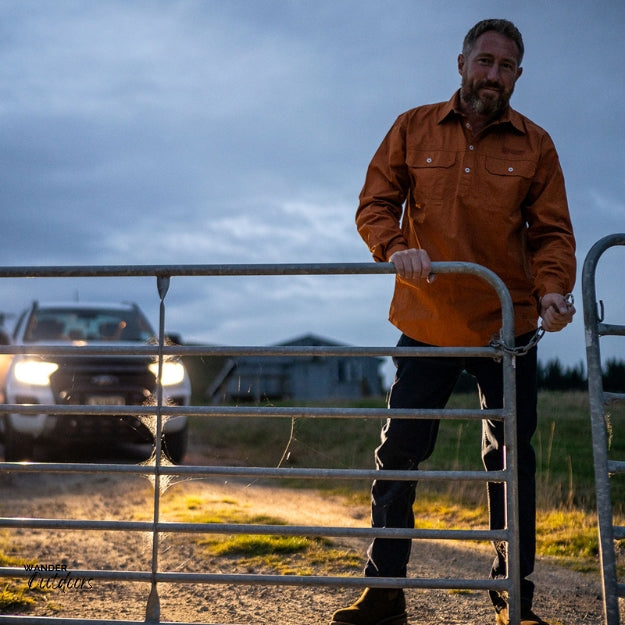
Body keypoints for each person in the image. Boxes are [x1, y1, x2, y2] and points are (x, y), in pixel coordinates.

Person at [330, 18, 576, 625]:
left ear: (518, 75)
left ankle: (511, 600)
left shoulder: (536, 145)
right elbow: (375, 204)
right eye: (485, 61)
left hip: (508, 325)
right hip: (427, 318)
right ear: (461, 62)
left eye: (507, 66)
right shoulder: (412, 128)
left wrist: (553, 293)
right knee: (400, 455)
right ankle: (384, 593)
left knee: (511, 462)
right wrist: (393, 247)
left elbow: (551, 234)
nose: (494, 75)